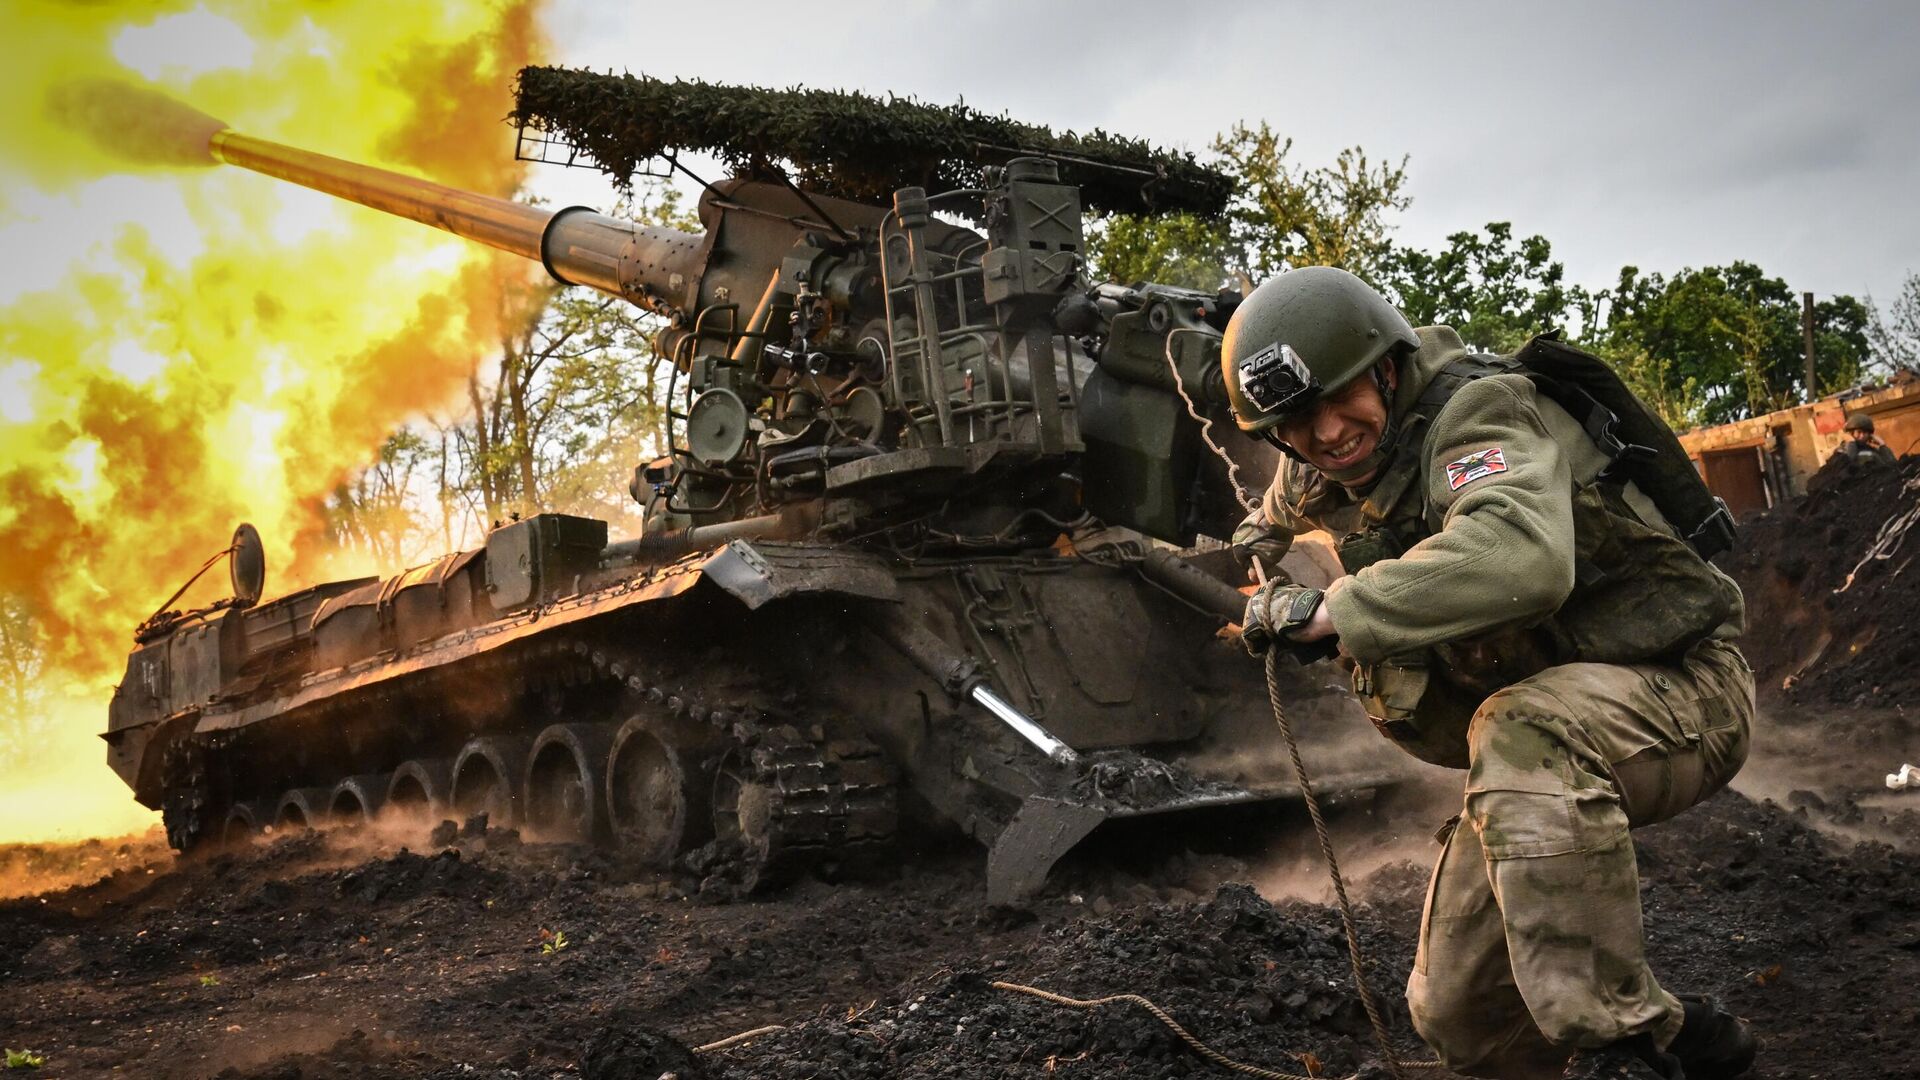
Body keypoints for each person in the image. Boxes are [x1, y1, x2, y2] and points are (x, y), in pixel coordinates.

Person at [1221, 266, 1757, 1080]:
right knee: (1463, 1019)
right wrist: (1239, 573)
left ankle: (1621, 1047)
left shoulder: (1479, 413)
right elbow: (1259, 530)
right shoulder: (1315, 460)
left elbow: (1522, 557)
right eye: (1295, 421)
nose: (1326, 432)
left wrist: (1331, 611)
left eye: (1340, 399)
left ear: (1386, 367)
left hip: (1683, 691)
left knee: (1519, 727)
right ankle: (1689, 1046)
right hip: (1545, 735)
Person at [1828, 412, 1895, 467]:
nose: (1862, 436)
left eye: (1865, 432)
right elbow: (1849, 467)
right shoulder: (1841, 451)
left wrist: (1882, 445)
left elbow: (1893, 466)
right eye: (1859, 432)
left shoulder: (1872, 450)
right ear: (1851, 433)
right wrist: (1851, 443)